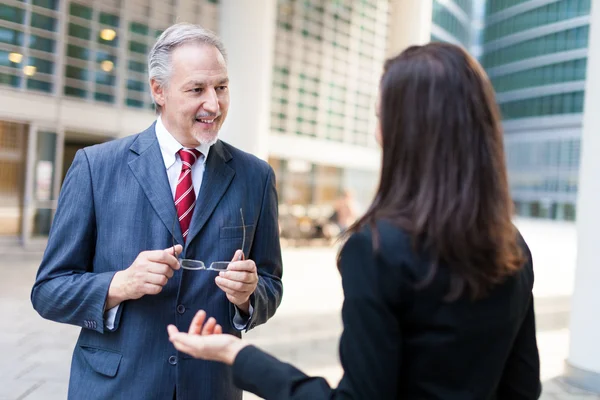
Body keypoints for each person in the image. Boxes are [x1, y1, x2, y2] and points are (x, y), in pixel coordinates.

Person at [167, 42, 542, 399]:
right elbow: (522, 389)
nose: (377, 132)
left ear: (407, 131)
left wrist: (238, 357)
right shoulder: (511, 246)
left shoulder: (378, 251)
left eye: (381, 117)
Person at [31, 23, 283, 400]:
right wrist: (119, 285)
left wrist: (248, 297)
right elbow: (48, 290)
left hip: (211, 388)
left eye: (221, 87)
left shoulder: (256, 176)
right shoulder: (95, 168)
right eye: (197, 89)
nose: (213, 104)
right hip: (116, 387)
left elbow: (271, 284)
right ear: (158, 90)